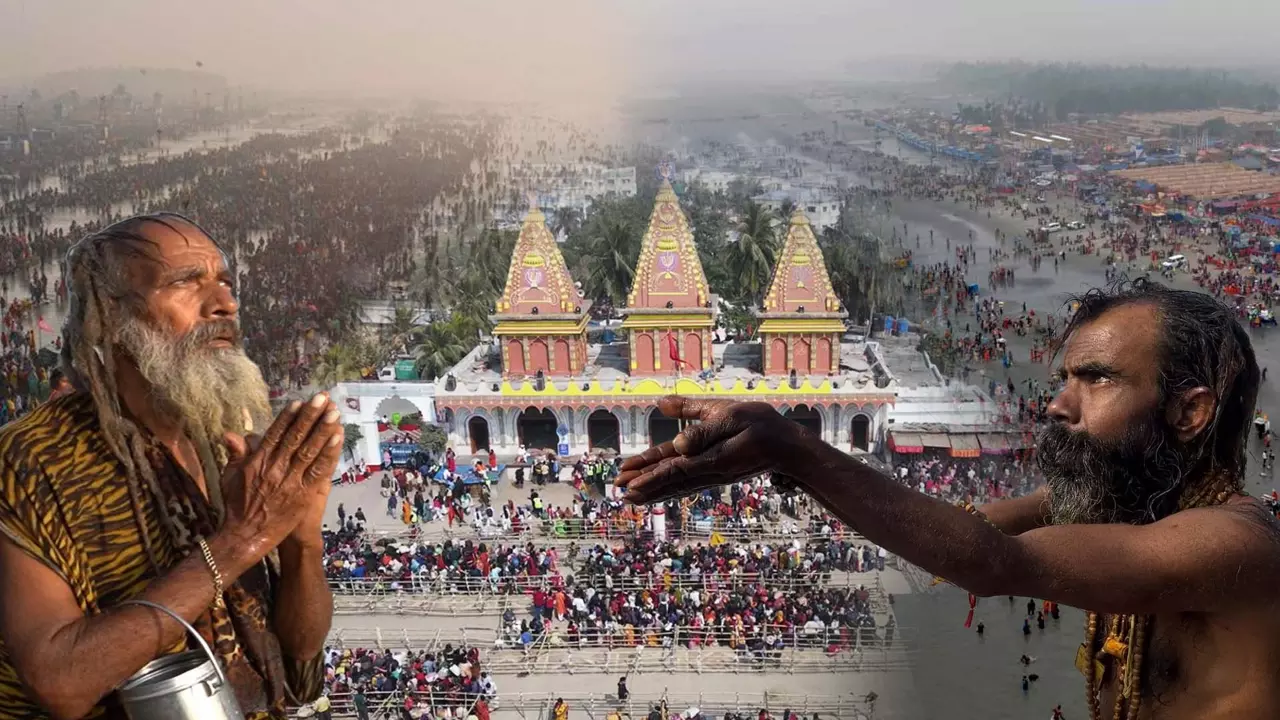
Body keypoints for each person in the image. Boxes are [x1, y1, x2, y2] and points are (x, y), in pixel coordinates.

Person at [618, 280, 1280, 720]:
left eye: (1096, 379)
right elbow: (955, 531)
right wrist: (785, 465)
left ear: (1189, 411)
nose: (1057, 404)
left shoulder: (1236, 544)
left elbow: (989, 561)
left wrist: (792, 448)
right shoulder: (1116, 510)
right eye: (1065, 379)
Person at [0, 214, 337, 719]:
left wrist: (300, 539)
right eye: (186, 282)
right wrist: (241, 539)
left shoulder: (222, 440)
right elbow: (60, 682)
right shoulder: (30, 459)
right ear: (111, 315)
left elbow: (303, 650)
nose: (225, 304)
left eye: (226, 282)